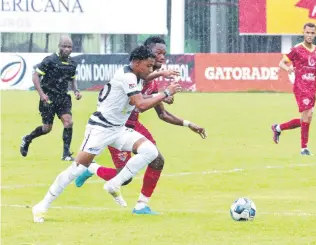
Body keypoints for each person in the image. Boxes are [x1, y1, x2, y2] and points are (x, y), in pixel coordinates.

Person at [31, 45, 182, 223]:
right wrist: (165, 93)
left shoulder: (135, 74)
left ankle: (114, 183)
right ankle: (42, 206)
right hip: (100, 129)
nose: (151, 69)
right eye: (148, 66)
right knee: (76, 169)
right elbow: (140, 105)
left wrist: (160, 76)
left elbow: (144, 86)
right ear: (137, 63)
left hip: (117, 129)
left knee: (151, 151)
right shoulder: (128, 77)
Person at [75, 36, 207, 215]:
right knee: (125, 178)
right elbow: (141, 105)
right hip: (115, 128)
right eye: (157, 53)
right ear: (145, 55)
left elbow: (163, 114)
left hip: (134, 126)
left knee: (157, 160)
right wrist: (163, 91)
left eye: (164, 54)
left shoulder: (151, 82)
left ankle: (141, 205)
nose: (161, 57)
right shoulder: (134, 75)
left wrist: (188, 123)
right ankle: (92, 168)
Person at [271, 23, 316, 155]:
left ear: (315, 34)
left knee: (307, 118)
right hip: (300, 86)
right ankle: (304, 149)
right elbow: (281, 63)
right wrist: (289, 69)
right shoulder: (297, 49)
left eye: (312, 33)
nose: (309, 35)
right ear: (303, 32)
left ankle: (278, 128)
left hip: (312, 87)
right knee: (307, 116)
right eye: (307, 33)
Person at [20, 35, 82, 161]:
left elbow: (72, 78)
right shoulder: (50, 60)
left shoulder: (72, 63)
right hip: (48, 98)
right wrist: (42, 94)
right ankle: (28, 138)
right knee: (46, 128)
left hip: (63, 98)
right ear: (59, 47)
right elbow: (35, 76)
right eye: (64, 46)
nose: (67, 49)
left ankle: (66, 154)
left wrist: (76, 90)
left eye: (69, 47)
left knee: (68, 122)